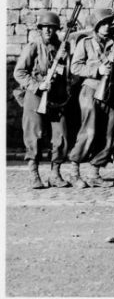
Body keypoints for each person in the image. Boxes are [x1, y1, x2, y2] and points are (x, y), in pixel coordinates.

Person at [68, 8, 114, 188]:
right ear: (97, 26)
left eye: (109, 23)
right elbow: (75, 68)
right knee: (89, 131)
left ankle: (94, 173)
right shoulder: (85, 43)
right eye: (103, 24)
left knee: (108, 133)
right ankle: (73, 172)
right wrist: (97, 70)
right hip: (90, 90)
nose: (107, 26)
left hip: (109, 93)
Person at [13, 11, 71, 188]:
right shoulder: (33, 47)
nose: (48, 31)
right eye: (45, 27)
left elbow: (69, 74)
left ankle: (55, 174)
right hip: (35, 95)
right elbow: (19, 73)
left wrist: (64, 63)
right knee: (34, 134)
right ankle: (34, 174)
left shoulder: (62, 47)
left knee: (61, 135)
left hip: (56, 97)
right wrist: (38, 86)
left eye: (52, 28)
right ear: (40, 29)